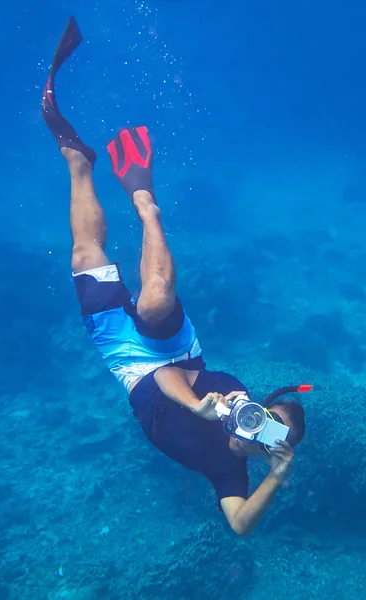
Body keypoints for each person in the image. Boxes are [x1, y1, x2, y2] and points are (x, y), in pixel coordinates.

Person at [41, 17, 307, 536]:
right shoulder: (230, 393)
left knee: (83, 253)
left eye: (272, 433)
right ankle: (146, 204)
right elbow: (166, 375)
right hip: (175, 363)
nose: (258, 426)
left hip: (127, 365)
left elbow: (240, 525)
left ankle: (78, 161)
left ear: (272, 447)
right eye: (265, 415)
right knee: (156, 301)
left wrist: (277, 475)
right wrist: (204, 406)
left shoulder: (230, 469)